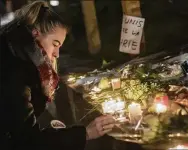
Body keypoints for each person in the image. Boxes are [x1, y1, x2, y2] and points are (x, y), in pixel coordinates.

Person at [0, 1, 115, 150]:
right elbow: (27, 141)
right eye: (55, 44)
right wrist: (86, 133)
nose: (57, 54)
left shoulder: (14, 55)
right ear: (35, 34)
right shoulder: (16, 73)